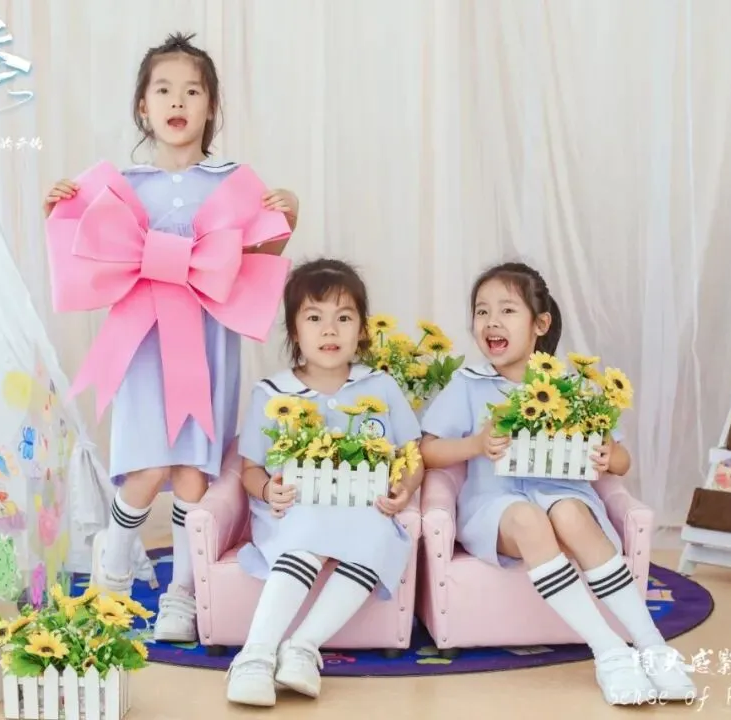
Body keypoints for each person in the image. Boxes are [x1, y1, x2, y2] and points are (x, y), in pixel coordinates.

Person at [42, 32, 299, 644]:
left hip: (206, 342)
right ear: (143, 106)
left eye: (192, 91)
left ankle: (182, 592)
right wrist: (58, 208)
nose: (177, 101)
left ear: (211, 107)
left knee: (192, 472)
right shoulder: (122, 184)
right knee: (145, 465)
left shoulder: (232, 182)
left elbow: (261, 257)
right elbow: (87, 249)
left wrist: (288, 212)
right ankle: (114, 564)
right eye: (163, 90)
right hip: (143, 341)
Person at [419, 261, 696, 706]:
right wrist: (475, 444)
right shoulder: (467, 384)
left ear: (540, 324)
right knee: (529, 520)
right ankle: (609, 651)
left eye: (507, 310)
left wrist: (608, 455)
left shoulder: (570, 385)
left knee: (567, 513)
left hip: (565, 493)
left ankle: (652, 645)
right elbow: (428, 450)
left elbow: (621, 460)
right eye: (482, 311)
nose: (491, 321)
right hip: (495, 505)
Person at [227, 258, 424, 707]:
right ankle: (254, 655)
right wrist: (267, 490)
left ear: (362, 330)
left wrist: (405, 488)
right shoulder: (272, 393)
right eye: (314, 318)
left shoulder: (380, 386)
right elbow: (250, 469)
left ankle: (302, 647)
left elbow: (412, 455)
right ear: (295, 331)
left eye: (344, 318)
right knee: (307, 532)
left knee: (376, 537)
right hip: (295, 510)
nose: (330, 331)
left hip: (363, 508)